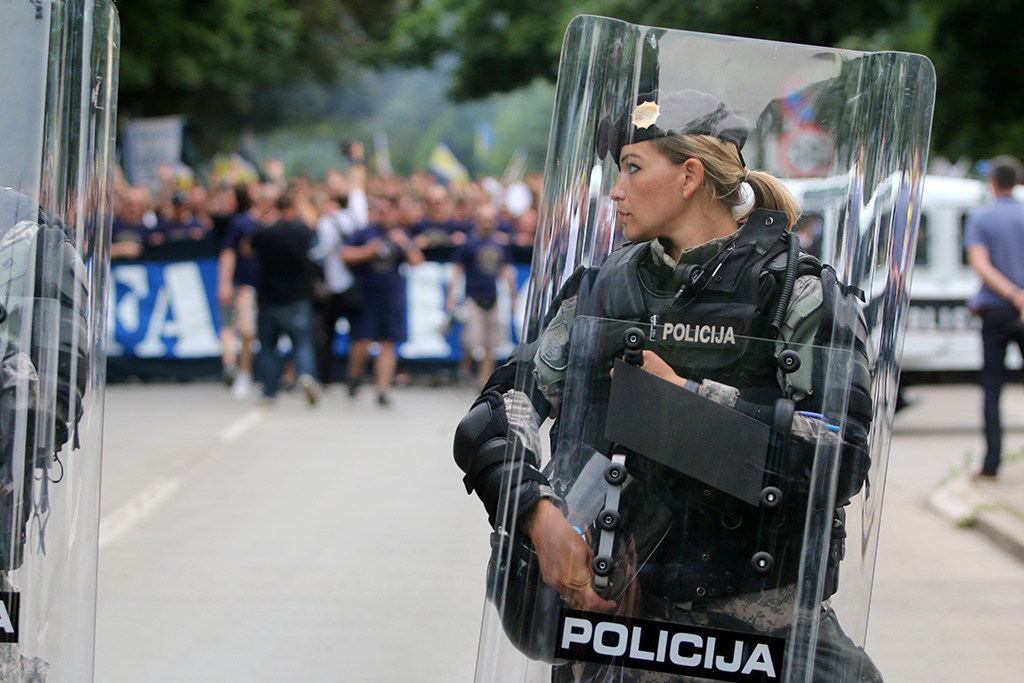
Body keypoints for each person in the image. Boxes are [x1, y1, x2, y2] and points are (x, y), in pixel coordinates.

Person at [453, 90, 879, 682]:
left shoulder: (797, 295)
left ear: (689, 176)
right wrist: (536, 514)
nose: (616, 190)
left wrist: (684, 400)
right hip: (616, 630)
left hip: (758, 637)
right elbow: (499, 410)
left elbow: (842, 456)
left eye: (632, 167)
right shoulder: (604, 290)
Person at [964, 155, 1024, 479]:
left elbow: (981, 265)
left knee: (992, 388)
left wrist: (1012, 294)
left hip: (997, 309)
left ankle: (991, 463)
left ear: (993, 183)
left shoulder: (981, 218)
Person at [342, 195, 424, 406]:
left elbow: (417, 261)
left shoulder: (401, 234)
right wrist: (367, 251)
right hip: (367, 297)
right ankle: (355, 375)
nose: (384, 214)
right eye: (381, 210)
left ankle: (382, 389)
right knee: (362, 343)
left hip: (391, 298)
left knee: (388, 344)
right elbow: (345, 254)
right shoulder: (365, 233)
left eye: (389, 210)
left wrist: (405, 244)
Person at [247, 191, 321, 405]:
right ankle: (305, 375)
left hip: (269, 297)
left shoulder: (265, 232)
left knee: (268, 346)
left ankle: (270, 391)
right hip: (297, 296)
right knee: (302, 342)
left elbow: (248, 249)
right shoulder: (303, 230)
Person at [446, 203, 518, 387]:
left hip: (492, 297)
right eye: (484, 218)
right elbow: (457, 271)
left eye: (490, 219)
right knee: (472, 340)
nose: (487, 222)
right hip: (473, 297)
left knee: (490, 344)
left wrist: (513, 296)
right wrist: (451, 297)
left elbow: (507, 271)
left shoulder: (499, 245)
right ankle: (464, 369)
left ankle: (483, 381)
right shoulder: (468, 244)